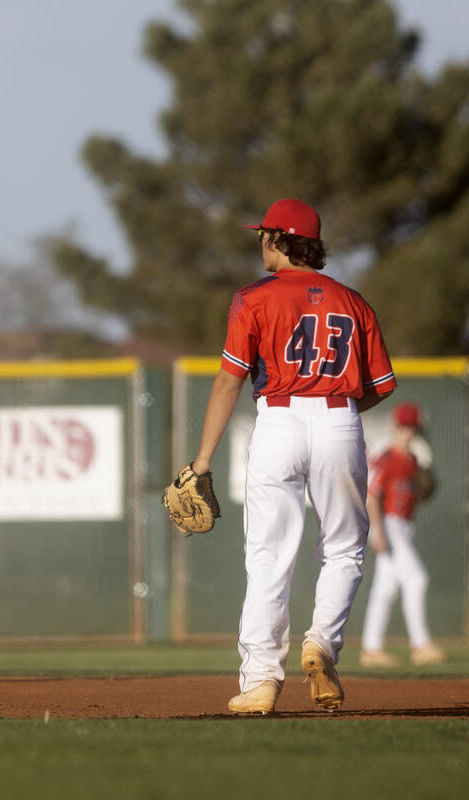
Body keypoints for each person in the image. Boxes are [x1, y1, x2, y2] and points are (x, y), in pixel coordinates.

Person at [184, 198, 395, 715]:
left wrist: (202, 461)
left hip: (277, 419)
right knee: (343, 549)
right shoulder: (353, 301)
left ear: (280, 239)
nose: (260, 242)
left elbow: (229, 381)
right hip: (338, 418)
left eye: (263, 235)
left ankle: (259, 681)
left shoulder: (252, 299)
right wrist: (340, 410)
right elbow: (382, 386)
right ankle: (321, 641)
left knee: (268, 557)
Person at [359, 402, 446, 666]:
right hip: (389, 524)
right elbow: (372, 495)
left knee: (385, 590)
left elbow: (420, 493)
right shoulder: (386, 458)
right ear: (397, 426)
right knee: (417, 579)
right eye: (405, 426)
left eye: (413, 427)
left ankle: (371, 650)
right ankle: (420, 644)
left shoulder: (413, 461)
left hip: (405, 527)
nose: (409, 431)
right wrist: (377, 531)